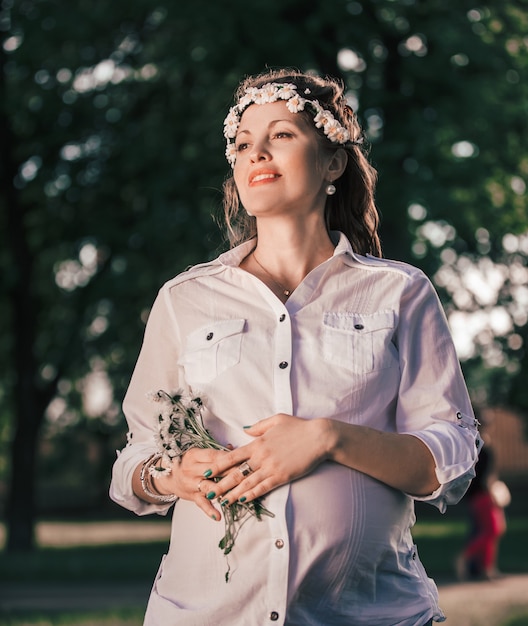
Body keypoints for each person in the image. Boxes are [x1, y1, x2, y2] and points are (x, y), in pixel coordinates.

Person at [110, 68, 481, 625]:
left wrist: (328, 439)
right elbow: (133, 462)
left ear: (333, 163)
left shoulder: (401, 291)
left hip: (370, 614)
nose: (256, 152)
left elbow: (449, 460)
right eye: (242, 143)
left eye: (281, 135)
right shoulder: (184, 299)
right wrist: (171, 474)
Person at [456, 430, 509, 581]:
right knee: (491, 531)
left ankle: (486, 568)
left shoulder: (469, 450)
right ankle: (466, 558)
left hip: (474, 496)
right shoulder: (485, 451)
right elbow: (487, 476)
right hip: (484, 496)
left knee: (487, 532)